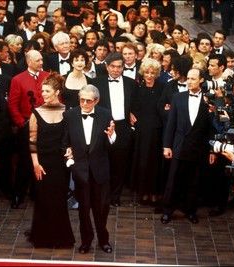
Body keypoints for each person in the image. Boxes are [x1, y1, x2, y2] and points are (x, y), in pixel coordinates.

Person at [63, 84, 116, 254]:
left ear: (96, 100)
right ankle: (86, 240)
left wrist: (111, 136)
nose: (84, 104)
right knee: (83, 209)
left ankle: (104, 240)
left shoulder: (105, 114)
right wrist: (67, 152)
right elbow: (65, 141)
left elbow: (111, 144)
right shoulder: (70, 115)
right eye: (82, 100)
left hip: (100, 170)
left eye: (88, 101)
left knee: (102, 208)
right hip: (81, 170)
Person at [161, 68, 216, 224]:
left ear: (201, 80)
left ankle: (190, 210)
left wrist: (212, 149)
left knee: (194, 182)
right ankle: (167, 210)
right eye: (188, 79)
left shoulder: (208, 100)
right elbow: (171, 124)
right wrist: (167, 146)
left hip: (198, 147)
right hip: (179, 146)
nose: (189, 82)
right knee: (173, 180)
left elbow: (211, 127)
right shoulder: (177, 97)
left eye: (193, 79)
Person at [28, 72, 75, 248]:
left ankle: (61, 237)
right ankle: (42, 237)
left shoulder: (68, 111)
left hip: (61, 164)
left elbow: (70, 137)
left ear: (57, 92)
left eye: (47, 91)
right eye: (42, 91)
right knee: (43, 199)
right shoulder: (36, 113)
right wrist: (35, 164)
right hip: (43, 163)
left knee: (59, 199)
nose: (43, 94)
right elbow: (32, 141)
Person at [92, 52, 137, 207]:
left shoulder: (131, 83)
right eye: (113, 66)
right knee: (103, 162)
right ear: (106, 66)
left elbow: (135, 104)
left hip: (123, 127)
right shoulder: (97, 83)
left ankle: (115, 196)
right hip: (103, 127)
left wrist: (132, 114)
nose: (116, 70)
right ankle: (102, 195)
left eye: (119, 67)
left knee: (120, 163)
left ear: (123, 67)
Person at [8, 50, 50, 209]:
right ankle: (18, 194)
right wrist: (21, 123)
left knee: (42, 159)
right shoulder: (18, 80)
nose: (41, 63)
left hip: (46, 124)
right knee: (25, 161)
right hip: (26, 125)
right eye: (38, 60)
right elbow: (12, 104)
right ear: (28, 62)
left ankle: (37, 192)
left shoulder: (48, 76)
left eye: (41, 59)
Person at [130, 58, 164, 206]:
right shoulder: (137, 88)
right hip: (142, 129)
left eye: (153, 73)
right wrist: (131, 114)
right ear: (143, 73)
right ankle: (143, 192)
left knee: (155, 162)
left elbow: (166, 106)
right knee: (142, 161)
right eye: (147, 72)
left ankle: (154, 192)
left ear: (157, 74)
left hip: (157, 129)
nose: (149, 75)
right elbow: (132, 106)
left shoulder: (163, 87)